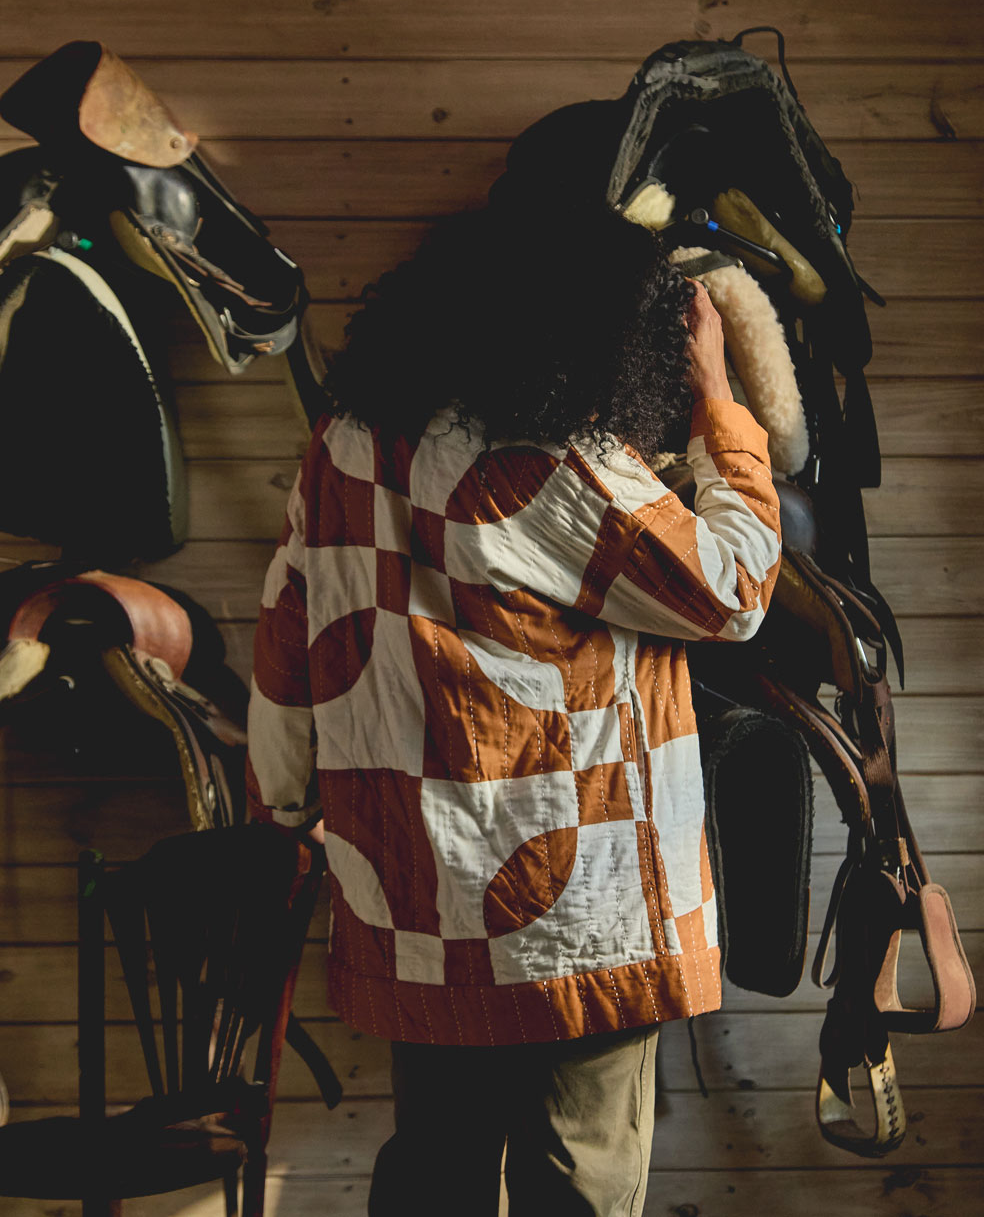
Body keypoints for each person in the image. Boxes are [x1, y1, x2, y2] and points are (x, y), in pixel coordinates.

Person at [246, 199, 781, 1216]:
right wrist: (716, 396)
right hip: (584, 898)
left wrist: (277, 804)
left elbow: (288, 635)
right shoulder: (558, 461)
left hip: (415, 888)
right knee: (579, 1174)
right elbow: (736, 588)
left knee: (435, 1167)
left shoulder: (345, 443)